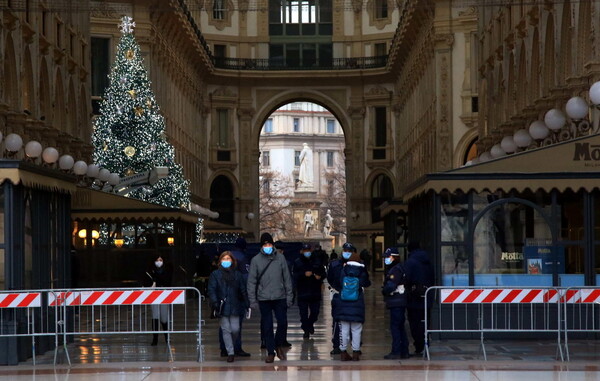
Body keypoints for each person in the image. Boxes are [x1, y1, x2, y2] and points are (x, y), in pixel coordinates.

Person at [247, 233, 294, 363]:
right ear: (261, 246)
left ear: (273, 245)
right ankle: (271, 352)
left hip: (280, 296)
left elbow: (287, 278)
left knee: (283, 323)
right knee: (267, 326)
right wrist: (252, 300)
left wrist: (289, 296)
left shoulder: (280, 258)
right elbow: (251, 282)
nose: (267, 246)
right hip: (264, 298)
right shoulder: (256, 260)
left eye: (269, 244)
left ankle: (278, 344)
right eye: (265, 244)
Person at [330, 244, 371, 361]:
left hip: (343, 302)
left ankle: (343, 352)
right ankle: (356, 352)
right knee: (356, 329)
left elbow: (336, 282)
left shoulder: (343, 269)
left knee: (343, 329)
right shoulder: (362, 270)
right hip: (357, 302)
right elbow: (366, 283)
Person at [208, 251, 249, 362]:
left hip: (235, 305)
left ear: (232, 261)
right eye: (224, 259)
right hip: (222, 306)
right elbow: (211, 289)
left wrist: (247, 303)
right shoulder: (215, 274)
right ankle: (230, 352)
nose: (226, 261)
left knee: (235, 329)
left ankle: (230, 345)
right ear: (220, 261)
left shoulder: (237, 274)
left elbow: (243, 290)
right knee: (226, 330)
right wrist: (215, 302)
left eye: (228, 259)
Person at [218, 238, 251, 357]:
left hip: (224, 296)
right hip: (237, 296)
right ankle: (236, 347)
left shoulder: (228, 256)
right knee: (236, 325)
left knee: (224, 325)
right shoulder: (242, 257)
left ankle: (224, 348)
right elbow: (246, 277)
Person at [404, 241, 435, 356]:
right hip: (427, 296)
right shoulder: (428, 261)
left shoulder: (410, 262)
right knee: (425, 322)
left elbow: (406, 278)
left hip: (414, 297)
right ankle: (425, 343)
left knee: (415, 323)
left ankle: (419, 346)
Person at [381, 247, 410, 359]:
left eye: (388, 257)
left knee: (395, 327)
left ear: (394, 257)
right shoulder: (397, 268)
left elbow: (391, 285)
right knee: (400, 326)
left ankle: (396, 351)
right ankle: (404, 350)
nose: (386, 259)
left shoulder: (395, 269)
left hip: (397, 301)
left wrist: (384, 290)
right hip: (398, 301)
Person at [292, 243, 326, 339]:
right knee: (303, 314)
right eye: (305, 251)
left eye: (308, 250)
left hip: (315, 291)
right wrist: (303, 274)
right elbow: (294, 276)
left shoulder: (317, 261)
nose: (307, 252)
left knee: (315, 313)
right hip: (303, 291)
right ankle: (306, 329)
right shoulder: (297, 262)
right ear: (302, 251)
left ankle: (309, 324)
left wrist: (320, 276)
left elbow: (323, 273)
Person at [326, 245, 350, 355]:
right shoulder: (334, 265)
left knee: (353, 321)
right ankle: (337, 345)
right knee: (337, 321)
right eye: (345, 251)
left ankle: (355, 346)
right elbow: (330, 278)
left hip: (351, 296)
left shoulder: (355, 264)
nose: (347, 253)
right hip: (338, 294)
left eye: (349, 251)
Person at [144, 255, 172, 346]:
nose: (159, 262)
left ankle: (167, 337)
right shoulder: (150, 271)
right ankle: (155, 339)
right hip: (154, 296)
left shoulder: (167, 270)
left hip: (164, 295)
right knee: (155, 316)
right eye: (157, 260)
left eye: (160, 260)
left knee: (164, 317)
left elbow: (169, 282)